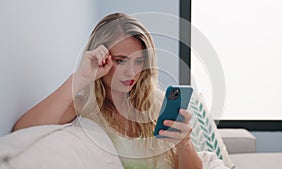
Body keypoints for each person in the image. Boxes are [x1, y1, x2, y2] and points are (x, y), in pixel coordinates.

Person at [13, 13, 219, 169]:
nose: (131, 72)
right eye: (121, 61)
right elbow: (23, 131)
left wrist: (184, 145)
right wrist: (81, 76)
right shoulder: (86, 106)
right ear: (101, 57)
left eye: (139, 61)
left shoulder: (155, 104)